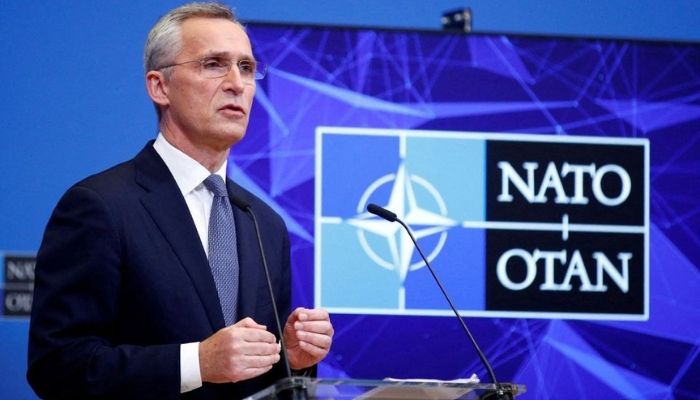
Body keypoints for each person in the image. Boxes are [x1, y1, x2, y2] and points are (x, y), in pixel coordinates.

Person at [26, 3, 333, 399]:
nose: (237, 84)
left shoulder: (264, 223)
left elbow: (250, 381)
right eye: (213, 64)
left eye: (246, 67)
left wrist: (290, 358)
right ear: (159, 86)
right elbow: (58, 366)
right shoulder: (100, 207)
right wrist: (198, 362)